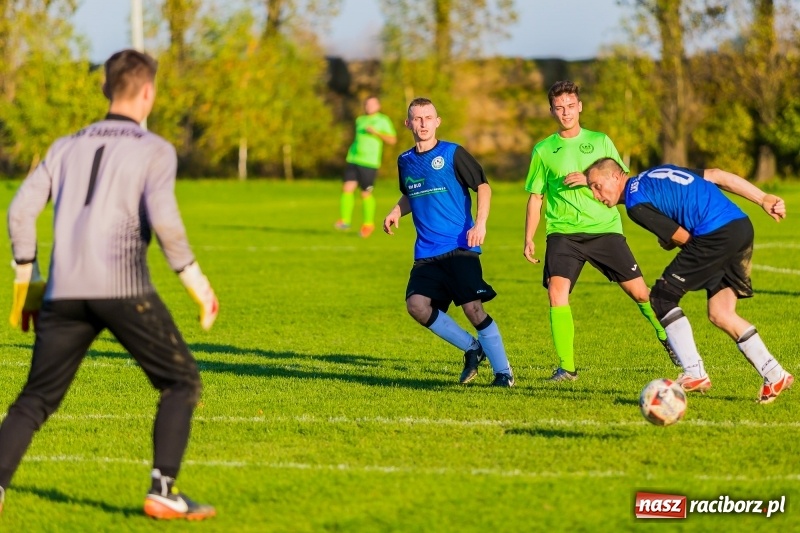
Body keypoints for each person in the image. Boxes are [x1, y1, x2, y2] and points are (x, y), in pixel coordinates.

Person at [0, 49, 219, 520]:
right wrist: (197, 284)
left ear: (105, 89)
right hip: (122, 289)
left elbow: (18, 211)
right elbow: (166, 221)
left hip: (62, 292)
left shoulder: (64, 146)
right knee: (180, 381)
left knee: (35, 400)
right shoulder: (154, 148)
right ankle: (163, 490)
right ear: (148, 92)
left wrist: (28, 285)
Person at [584, 158, 793, 403]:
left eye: (597, 185)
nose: (595, 194)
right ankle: (774, 373)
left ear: (616, 176)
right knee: (721, 312)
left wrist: (669, 240)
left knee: (662, 297)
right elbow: (717, 174)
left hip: (716, 234)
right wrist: (762, 198)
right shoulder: (657, 172)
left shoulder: (634, 203)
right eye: (590, 189)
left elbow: (685, 238)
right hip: (741, 227)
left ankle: (694, 372)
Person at [523, 80, 674, 382]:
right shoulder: (543, 150)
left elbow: (622, 179)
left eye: (569, 106)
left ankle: (666, 336)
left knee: (640, 293)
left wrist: (591, 180)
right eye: (558, 108)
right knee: (556, 293)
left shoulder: (601, 141)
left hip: (604, 229)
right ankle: (567, 368)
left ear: (579, 106)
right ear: (551, 111)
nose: (565, 112)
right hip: (563, 233)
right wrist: (528, 237)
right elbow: (536, 196)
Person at [383, 97, 514, 387]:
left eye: (428, 118)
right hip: (427, 252)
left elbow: (483, 187)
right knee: (416, 305)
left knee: (473, 309)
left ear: (437, 121)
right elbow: (411, 192)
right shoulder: (405, 161)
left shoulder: (453, 153)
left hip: (459, 246)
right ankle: (472, 348)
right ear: (408, 124)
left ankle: (504, 372)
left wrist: (480, 224)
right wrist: (396, 210)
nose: (423, 124)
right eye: (416, 119)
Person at [335, 96, 397, 238]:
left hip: (369, 162)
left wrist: (376, 133)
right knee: (347, 188)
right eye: (366, 104)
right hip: (354, 159)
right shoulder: (360, 120)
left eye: (372, 104)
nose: (368, 107)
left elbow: (392, 140)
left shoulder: (383, 120)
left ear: (378, 106)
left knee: (365, 193)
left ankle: (368, 225)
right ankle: (345, 221)